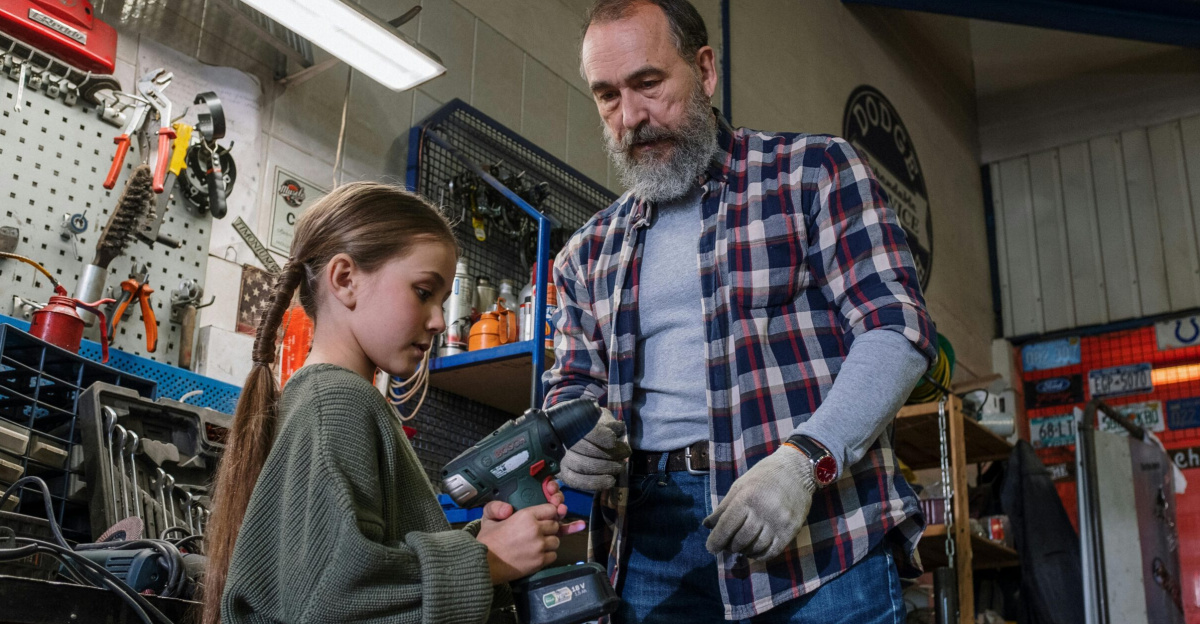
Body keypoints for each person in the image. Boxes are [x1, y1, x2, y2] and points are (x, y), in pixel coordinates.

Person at [545, 1, 938, 622]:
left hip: (819, 531)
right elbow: (569, 388)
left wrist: (804, 462)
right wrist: (573, 437)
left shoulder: (813, 175)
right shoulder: (584, 255)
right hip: (652, 543)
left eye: (649, 83)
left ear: (703, 71)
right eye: (608, 96)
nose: (633, 117)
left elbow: (896, 330)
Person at [202, 182, 585, 624]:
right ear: (346, 280)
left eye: (442, 301)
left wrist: (484, 543)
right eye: (424, 292)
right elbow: (330, 602)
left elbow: (357, 566)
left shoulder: (334, 399)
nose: (440, 320)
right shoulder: (338, 402)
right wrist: (485, 561)